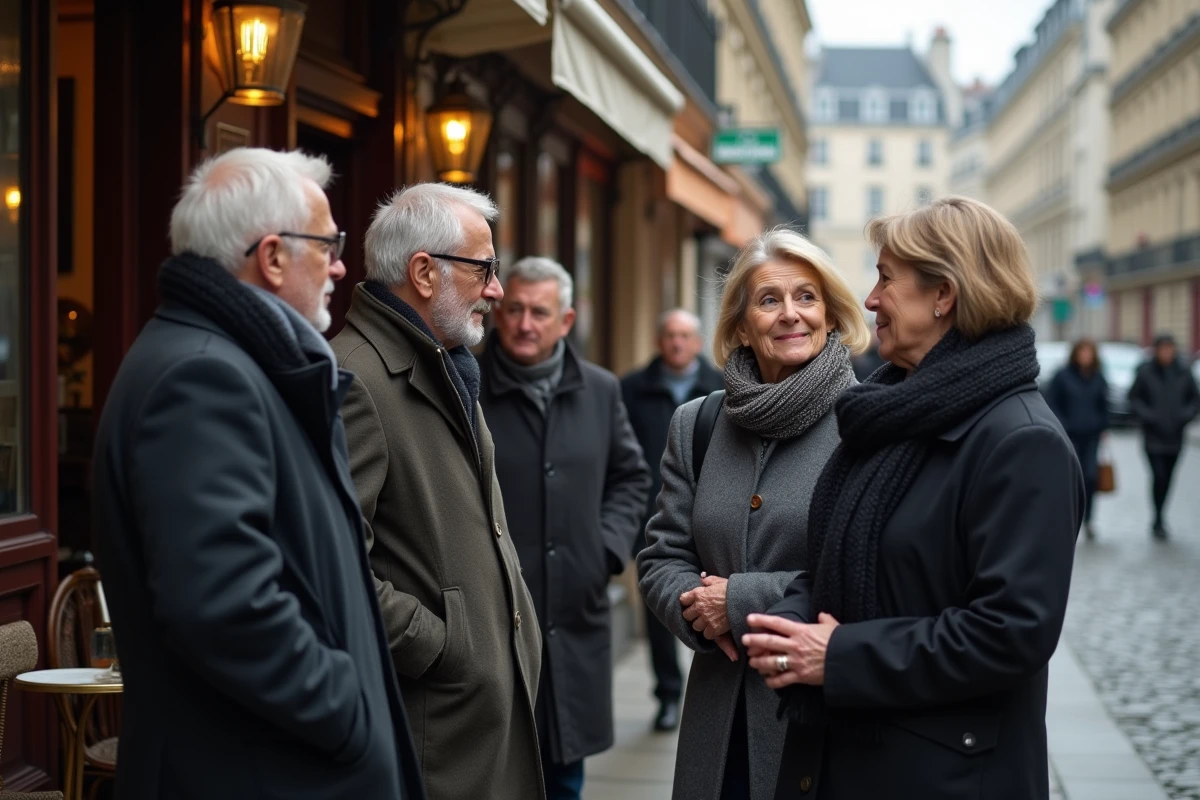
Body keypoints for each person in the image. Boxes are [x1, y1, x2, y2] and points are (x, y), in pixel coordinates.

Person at [91, 148, 424, 799]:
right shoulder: (203, 376)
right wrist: (349, 714)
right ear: (272, 257)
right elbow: (223, 607)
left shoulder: (230, 362)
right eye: (327, 245)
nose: (340, 266)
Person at [743, 197, 1084, 800]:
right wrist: (788, 630)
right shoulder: (888, 412)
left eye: (885, 278)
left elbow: (1011, 633)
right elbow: (833, 563)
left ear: (943, 295)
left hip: (943, 775)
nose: (870, 299)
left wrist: (840, 656)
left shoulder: (1022, 441)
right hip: (843, 758)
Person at [637, 229, 870, 800]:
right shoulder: (699, 423)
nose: (791, 314)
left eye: (807, 297)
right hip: (718, 721)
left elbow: (872, 576)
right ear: (741, 325)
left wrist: (737, 603)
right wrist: (696, 612)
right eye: (769, 300)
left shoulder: (868, 425)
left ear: (831, 315)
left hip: (820, 725)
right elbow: (662, 555)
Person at [330, 183, 543, 800]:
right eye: (485, 269)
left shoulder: (445, 362)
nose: (497, 290)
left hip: (473, 717)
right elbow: (333, 565)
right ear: (424, 272)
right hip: (436, 730)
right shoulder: (356, 380)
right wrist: (444, 646)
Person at [478, 256, 650, 800]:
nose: (525, 324)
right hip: (494, 617)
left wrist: (603, 551)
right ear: (497, 313)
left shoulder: (600, 389)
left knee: (565, 776)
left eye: (540, 312)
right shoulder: (466, 386)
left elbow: (631, 477)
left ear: (567, 321)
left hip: (575, 615)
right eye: (515, 310)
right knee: (493, 768)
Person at [622, 309, 724, 732]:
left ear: (698, 343)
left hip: (715, 517)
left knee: (716, 602)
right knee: (663, 608)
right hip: (653, 515)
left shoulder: (722, 388)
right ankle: (667, 694)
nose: (678, 343)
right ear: (659, 341)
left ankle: (717, 693)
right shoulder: (630, 389)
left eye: (685, 336)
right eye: (670, 335)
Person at [1128, 333, 1200, 539]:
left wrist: (1182, 417)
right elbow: (1134, 399)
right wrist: (1149, 417)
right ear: (1156, 350)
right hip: (1153, 436)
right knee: (1158, 475)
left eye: (1170, 349)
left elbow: (1195, 400)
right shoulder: (1146, 372)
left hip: (1175, 436)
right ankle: (1158, 517)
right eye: (1163, 349)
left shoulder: (1184, 372)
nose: (1167, 353)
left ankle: (1161, 514)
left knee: (1168, 477)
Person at [1046, 339, 1110, 539]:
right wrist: (1063, 425)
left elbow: (1104, 404)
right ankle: (1070, 517)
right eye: (1082, 352)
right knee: (1073, 476)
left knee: (1090, 477)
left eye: (1089, 352)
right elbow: (1052, 403)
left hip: (1092, 436)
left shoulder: (1098, 377)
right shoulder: (1062, 376)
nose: (1085, 356)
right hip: (1069, 435)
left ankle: (1089, 518)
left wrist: (1103, 425)